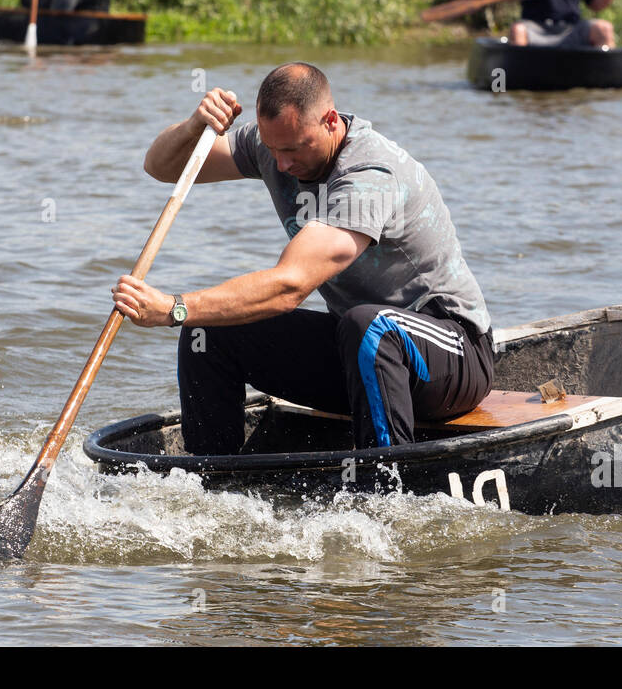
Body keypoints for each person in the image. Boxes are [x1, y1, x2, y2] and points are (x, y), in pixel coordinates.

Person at [112, 62, 494, 455]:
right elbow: (162, 167)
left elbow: (290, 285)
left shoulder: (369, 175)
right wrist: (194, 126)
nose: (280, 164)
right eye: (272, 148)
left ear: (330, 121)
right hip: (359, 356)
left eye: (292, 149)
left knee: (369, 327)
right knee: (207, 330)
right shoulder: (273, 144)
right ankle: (213, 482)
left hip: (452, 356)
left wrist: (173, 308)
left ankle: (384, 489)